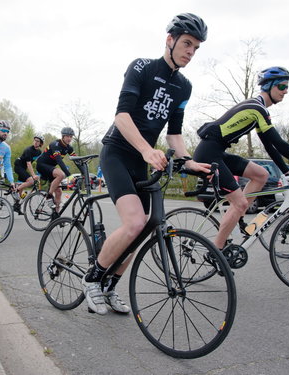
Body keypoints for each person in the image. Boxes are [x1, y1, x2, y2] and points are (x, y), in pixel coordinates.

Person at [82, 13, 212, 315]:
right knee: (134, 222)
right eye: (187, 44)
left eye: (196, 48)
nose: (190, 52)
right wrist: (145, 149)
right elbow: (122, 116)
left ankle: (110, 286)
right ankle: (92, 279)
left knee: (143, 229)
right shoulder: (141, 67)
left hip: (144, 158)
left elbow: (175, 134)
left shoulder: (184, 87)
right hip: (117, 151)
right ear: (170, 40)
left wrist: (189, 161)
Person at [192, 66, 289, 255]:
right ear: (269, 86)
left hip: (216, 152)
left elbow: (270, 146)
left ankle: (237, 214)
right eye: (281, 86)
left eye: (287, 87)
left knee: (261, 174)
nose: (285, 91)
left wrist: (286, 171)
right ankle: (216, 251)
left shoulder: (258, 109)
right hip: (208, 155)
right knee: (240, 204)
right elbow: (280, 144)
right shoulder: (257, 109)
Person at [36, 127, 75, 214]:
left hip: (50, 168)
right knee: (61, 174)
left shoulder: (69, 148)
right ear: (63, 136)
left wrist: (84, 173)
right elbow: (59, 161)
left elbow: (77, 161)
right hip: (42, 165)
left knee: (59, 192)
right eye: (67, 136)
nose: (69, 138)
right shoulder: (55, 144)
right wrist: (69, 175)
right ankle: (49, 196)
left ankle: (56, 216)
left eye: (71, 137)